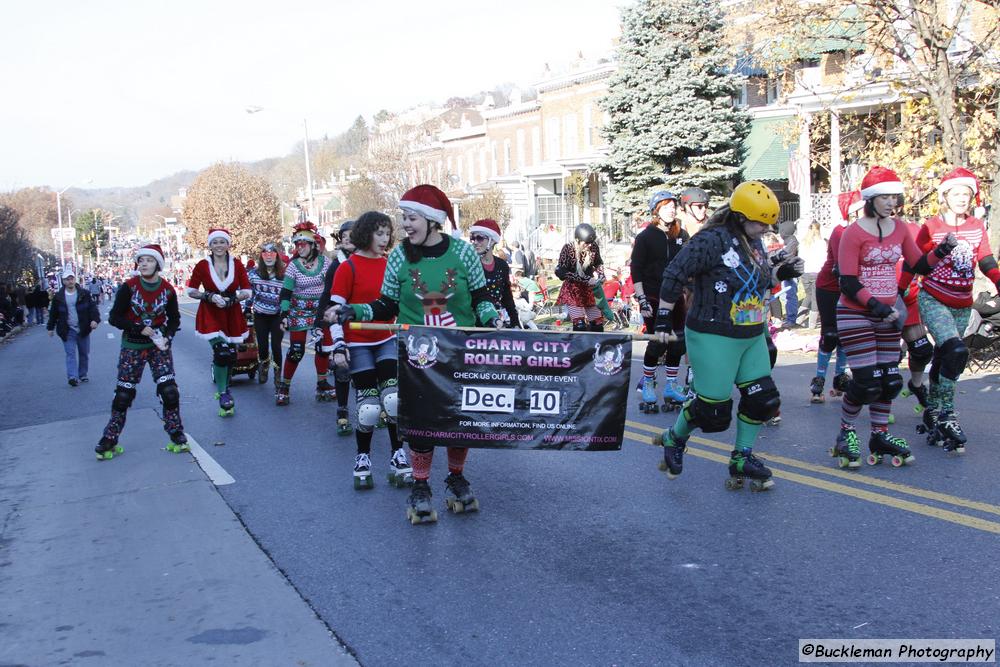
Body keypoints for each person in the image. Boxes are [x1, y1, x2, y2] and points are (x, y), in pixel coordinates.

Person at [336, 184, 500, 524]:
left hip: (458, 348)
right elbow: (387, 304)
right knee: (423, 422)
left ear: (431, 220)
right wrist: (358, 312)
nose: (405, 225)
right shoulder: (398, 256)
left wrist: (490, 317)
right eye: (404, 218)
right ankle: (421, 485)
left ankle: (455, 477)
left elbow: (482, 296)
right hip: (418, 352)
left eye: (410, 218)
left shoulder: (463, 253)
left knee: (459, 421)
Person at [652, 181, 804, 491]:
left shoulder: (754, 242)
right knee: (713, 414)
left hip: (750, 334)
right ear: (740, 216)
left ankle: (742, 457)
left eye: (767, 223)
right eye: (760, 222)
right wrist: (663, 322)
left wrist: (782, 273)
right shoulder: (711, 240)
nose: (765, 228)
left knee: (764, 400)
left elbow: (759, 280)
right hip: (713, 334)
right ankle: (674, 438)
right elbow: (674, 274)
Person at [831, 166, 955, 470]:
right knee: (866, 382)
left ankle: (879, 435)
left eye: (893, 197)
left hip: (887, 316)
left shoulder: (900, 228)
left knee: (888, 380)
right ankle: (845, 433)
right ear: (870, 199)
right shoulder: (853, 233)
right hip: (856, 314)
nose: (890, 202)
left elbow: (919, 265)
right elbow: (847, 281)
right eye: (884, 197)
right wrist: (877, 305)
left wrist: (942, 250)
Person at [904, 167, 1000, 452]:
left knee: (946, 355)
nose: (962, 198)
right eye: (956, 193)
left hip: (962, 302)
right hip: (933, 298)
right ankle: (947, 413)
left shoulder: (975, 226)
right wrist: (897, 294)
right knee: (957, 351)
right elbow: (916, 262)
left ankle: (932, 408)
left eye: (966, 194)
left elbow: (985, 259)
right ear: (945, 196)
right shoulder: (931, 227)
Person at [327, 211, 410, 489]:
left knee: (394, 401)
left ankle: (398, 454)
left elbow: (401, 304)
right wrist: (338, 345)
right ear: (365, 234)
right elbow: (335, 312)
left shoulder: (390, 265)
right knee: (370, 410)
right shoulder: (347, 268)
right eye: (379, 233)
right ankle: (362, 457)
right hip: (357, 342)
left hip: (385, 338)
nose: (384, 239)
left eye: (387, 233)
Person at [96, 245, 186, 459]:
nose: (144, 264)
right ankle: (109, 437)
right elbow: (115, 317)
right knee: (123, 395)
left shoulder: (168, 290)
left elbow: (174, 319)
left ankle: (176, 433)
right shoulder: (129, 287)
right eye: (141, 260)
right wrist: (137, 327)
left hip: (158, 346)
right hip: (133, 346)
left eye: (149, 260)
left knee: (169, 391)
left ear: (158, 264)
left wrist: (167, 337)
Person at [631, 191, 690, 412]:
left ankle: (671, 386)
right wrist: (642, 298)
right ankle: (648, 383)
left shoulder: (681, 234)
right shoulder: (646, 236)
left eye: (673, 206)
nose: (671, 210)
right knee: (658, 341)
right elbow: (636, 269)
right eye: (666, 207)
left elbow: (689, 262)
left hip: (676, 295)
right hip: (653, 295)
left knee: (678, 340)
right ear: (656, 210)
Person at [186, 228, 252, 417]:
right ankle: (223, 394)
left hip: (231, 312)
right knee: (221, 352)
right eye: (215, 242)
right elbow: (191, 290)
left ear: (228, 244)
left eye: (222, 242)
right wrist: (209, 296)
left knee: (231, 355)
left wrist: (234, 299)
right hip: (210, 313)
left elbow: (247, 289)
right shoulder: (202, 265)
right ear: (210, 245)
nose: (219, 246)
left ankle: (226, 387)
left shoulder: (237, 265)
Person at [275, 221, 336, 406]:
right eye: (297, 245)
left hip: (320, 311)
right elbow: (286, 292)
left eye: (303, 244)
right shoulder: (293, 266)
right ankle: (284, 386)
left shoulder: (326, 263)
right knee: (296, 351)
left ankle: (322, 383)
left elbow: (333, 287)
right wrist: (284, 315)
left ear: (313, 245)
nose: (299, 248)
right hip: (298, 310)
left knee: (323, 349)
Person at [809, 191, 860, 403]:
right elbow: (843, 268)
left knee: (845, 336)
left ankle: (839, 379)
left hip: (849, 287)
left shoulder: (865, 231)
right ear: (848, 213)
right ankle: (818, 381)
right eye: (856, 213)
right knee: (830, 335)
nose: (860, 216)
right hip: (830, 287)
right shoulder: (841, 232)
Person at [316, 220, 357, 435]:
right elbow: (327, 296)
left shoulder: (373, 260)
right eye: (344, 236)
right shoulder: (336, 265)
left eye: (353, 235)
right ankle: (342, 411)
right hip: (340, 320)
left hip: (365, 320)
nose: (348, 239)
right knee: (342, 368)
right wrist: (319, 320)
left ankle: (377, 410)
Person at [47, 266, 100, 385]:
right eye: (67, 279)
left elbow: (93, 308)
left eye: (72, 278)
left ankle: (82, 374)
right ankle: (72, 377)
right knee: (70, 353)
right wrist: (50, 327)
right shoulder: (59, 297)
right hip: (67, 329)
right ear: (63, 281)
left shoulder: (84, 294)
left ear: (74, 279)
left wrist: (95, 320)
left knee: (84, 353)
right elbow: (53, 313)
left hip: (83, 328)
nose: (70, 281)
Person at [469, 219, 520, 328]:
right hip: (473, 325)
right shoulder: (470, 264)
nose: (475, 242)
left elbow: (507, 296)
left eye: (480, 238)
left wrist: (515, 321)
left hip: (497, 323)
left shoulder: (502, 265)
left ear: (492, 241)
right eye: (473, 238)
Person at [555, 223, 606, 331]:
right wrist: (586, 279)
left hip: (588, 289)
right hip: (572, 290)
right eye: (586, 243)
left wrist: (601, 274)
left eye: (591, 243)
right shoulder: (568, 249)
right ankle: (579, 347)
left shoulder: (593, 247)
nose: (589, 245)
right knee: (580, 325)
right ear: (578, 240)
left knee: (597, 324)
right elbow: (562, 273)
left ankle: (595, 347)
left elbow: (598, 263)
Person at [248, 242, 285, 385]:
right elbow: (248, 293)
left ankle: (277, 374)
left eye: (272, 254)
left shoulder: (284, 276)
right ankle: (263, 366)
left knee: (276, 346)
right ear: (262, 257)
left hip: (277, 316)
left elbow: (288, 295)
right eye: (265, 254)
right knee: (262, 346)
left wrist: (286, 314)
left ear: (277, 257)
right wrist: (246, 308)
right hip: (260, 315)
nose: (269, 257)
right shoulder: (253, 275)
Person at [798, 221, 826, 329]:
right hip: (817, 271)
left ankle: (799, 319)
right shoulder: (821, 243)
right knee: (815, 298)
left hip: (805, 272)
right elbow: (824, 258)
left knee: (809, 295)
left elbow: (800, 257)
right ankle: (812, 323)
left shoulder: (803, 242)